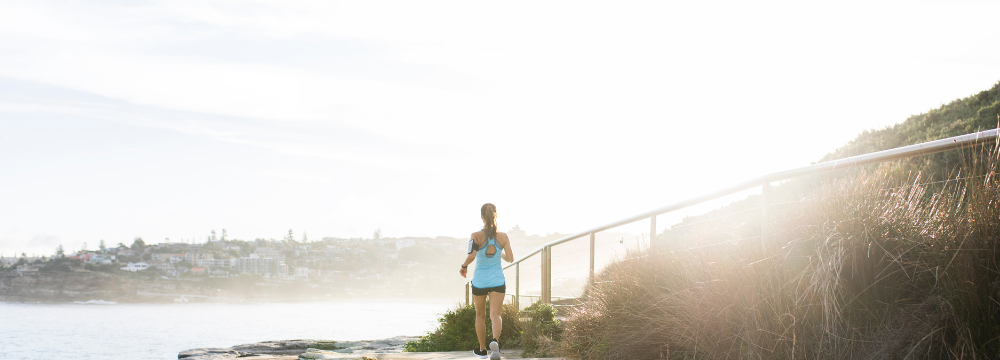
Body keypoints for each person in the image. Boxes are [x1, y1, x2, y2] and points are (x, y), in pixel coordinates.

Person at [460, 203, 514, 360]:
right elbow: (510, 259)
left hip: (479, 282)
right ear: (496, 215)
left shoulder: (475, 235)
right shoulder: (503, 237)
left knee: (480, 316)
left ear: (482, 216)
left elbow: (472, 256)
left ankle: (483, 350)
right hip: (497, 280)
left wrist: (463, 267)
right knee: (495, 314)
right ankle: (495, 342)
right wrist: (499, 253)